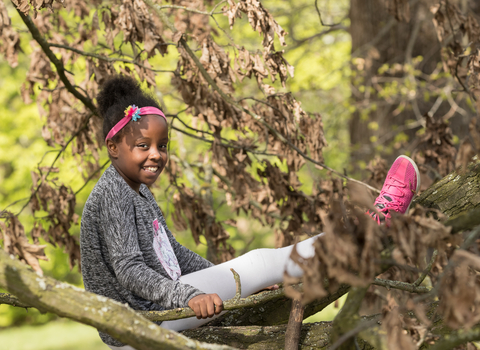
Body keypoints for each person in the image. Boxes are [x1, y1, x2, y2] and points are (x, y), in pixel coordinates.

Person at [80, 75, 420, 350]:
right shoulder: (112, 194)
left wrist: (232, 285)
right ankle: (372, 227)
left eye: (162, 146)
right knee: (258, 262)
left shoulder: (137, 191)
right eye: (143, 146)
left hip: (153, 311)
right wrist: (188, 295)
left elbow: (174, 253)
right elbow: (129, 270)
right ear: (113, 147)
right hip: (138, 322)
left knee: (257, 268)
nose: (156, 154)